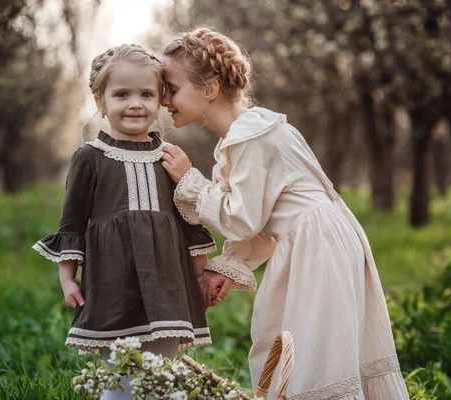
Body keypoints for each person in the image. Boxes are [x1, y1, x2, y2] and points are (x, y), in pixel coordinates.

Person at [160, 28, 409, 399]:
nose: (165, 100)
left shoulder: (253, 137)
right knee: (305, 340)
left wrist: (189, 181)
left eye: (172, 88)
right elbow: (263, 217)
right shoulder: (251, 133)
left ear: (210, 89)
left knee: (316, 349)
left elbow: (242, 219)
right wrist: (226, 265)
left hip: (319, 248)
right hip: (322, 239)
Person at [32, 44, 216, 400]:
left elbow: (187, 218)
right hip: (112, 285)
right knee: (119, 378)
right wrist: (67, 278)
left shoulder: (169, 157)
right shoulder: (90, 158)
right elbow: (71, 222)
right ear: (101, 101)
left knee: (160, 376)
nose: (135, 103)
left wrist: (199, 273)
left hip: (166, 286)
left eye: (146, 94)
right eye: (122, 94)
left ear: (161, 99)